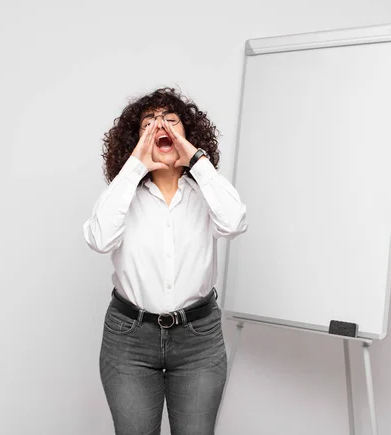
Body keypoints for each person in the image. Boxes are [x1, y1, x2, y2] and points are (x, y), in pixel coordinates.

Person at [82, 87, 247, 435]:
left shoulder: (206, 191)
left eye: (172, 122)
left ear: (189, 136)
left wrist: (197, 161)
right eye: (150, 124)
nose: (162, 129)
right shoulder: (124, 194)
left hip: (198, 339)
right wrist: (134, 166)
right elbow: (99, 239)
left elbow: (234, 222)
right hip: (129, 339)